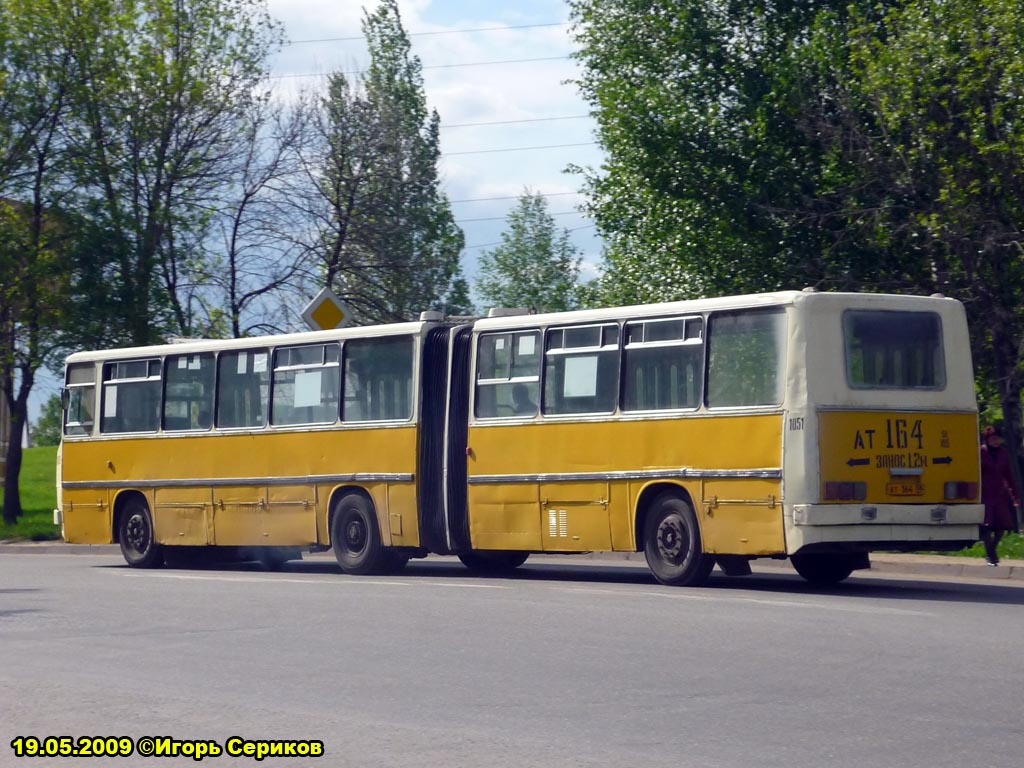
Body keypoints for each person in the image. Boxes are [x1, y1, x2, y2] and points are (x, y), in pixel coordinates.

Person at [979, 425, 1020, 566]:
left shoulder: (1003, 454)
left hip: (999, 494)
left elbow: (1008, 475)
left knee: (1002, 526)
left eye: (998, 439)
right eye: (993, 439)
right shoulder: (981, 452)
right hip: (984, 495)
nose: (996, 441)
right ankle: (991, 554)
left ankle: (992, 550)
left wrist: (1015, 496)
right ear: (988, 440)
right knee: (986, 526)